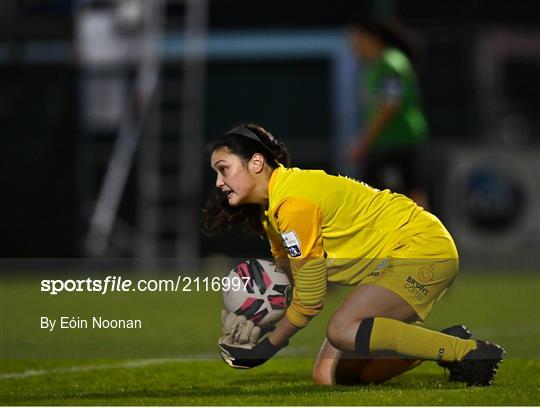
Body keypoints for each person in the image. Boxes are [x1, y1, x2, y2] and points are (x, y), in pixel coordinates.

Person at [203, 123, 504, 386]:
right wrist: (261, 319)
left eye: (224, 169)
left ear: (256, 163)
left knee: (342, 329)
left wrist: (267, 347)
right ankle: (447, 343)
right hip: (394, 260)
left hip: (420, 248)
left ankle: (471, 354)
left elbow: (310, 299)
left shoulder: (293, 204)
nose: (218, 182)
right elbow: (291, 279)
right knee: (331, 376)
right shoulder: (274, 212)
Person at [348, 18, 429, 209]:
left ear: (371, 38)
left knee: (408, 193)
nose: (353, 45)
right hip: (384, 141)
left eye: (356, 39)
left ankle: (426, 236)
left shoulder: (390, 64)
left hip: (398, 140)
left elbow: (388, 107)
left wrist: (363, 143)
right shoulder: (372, 67)